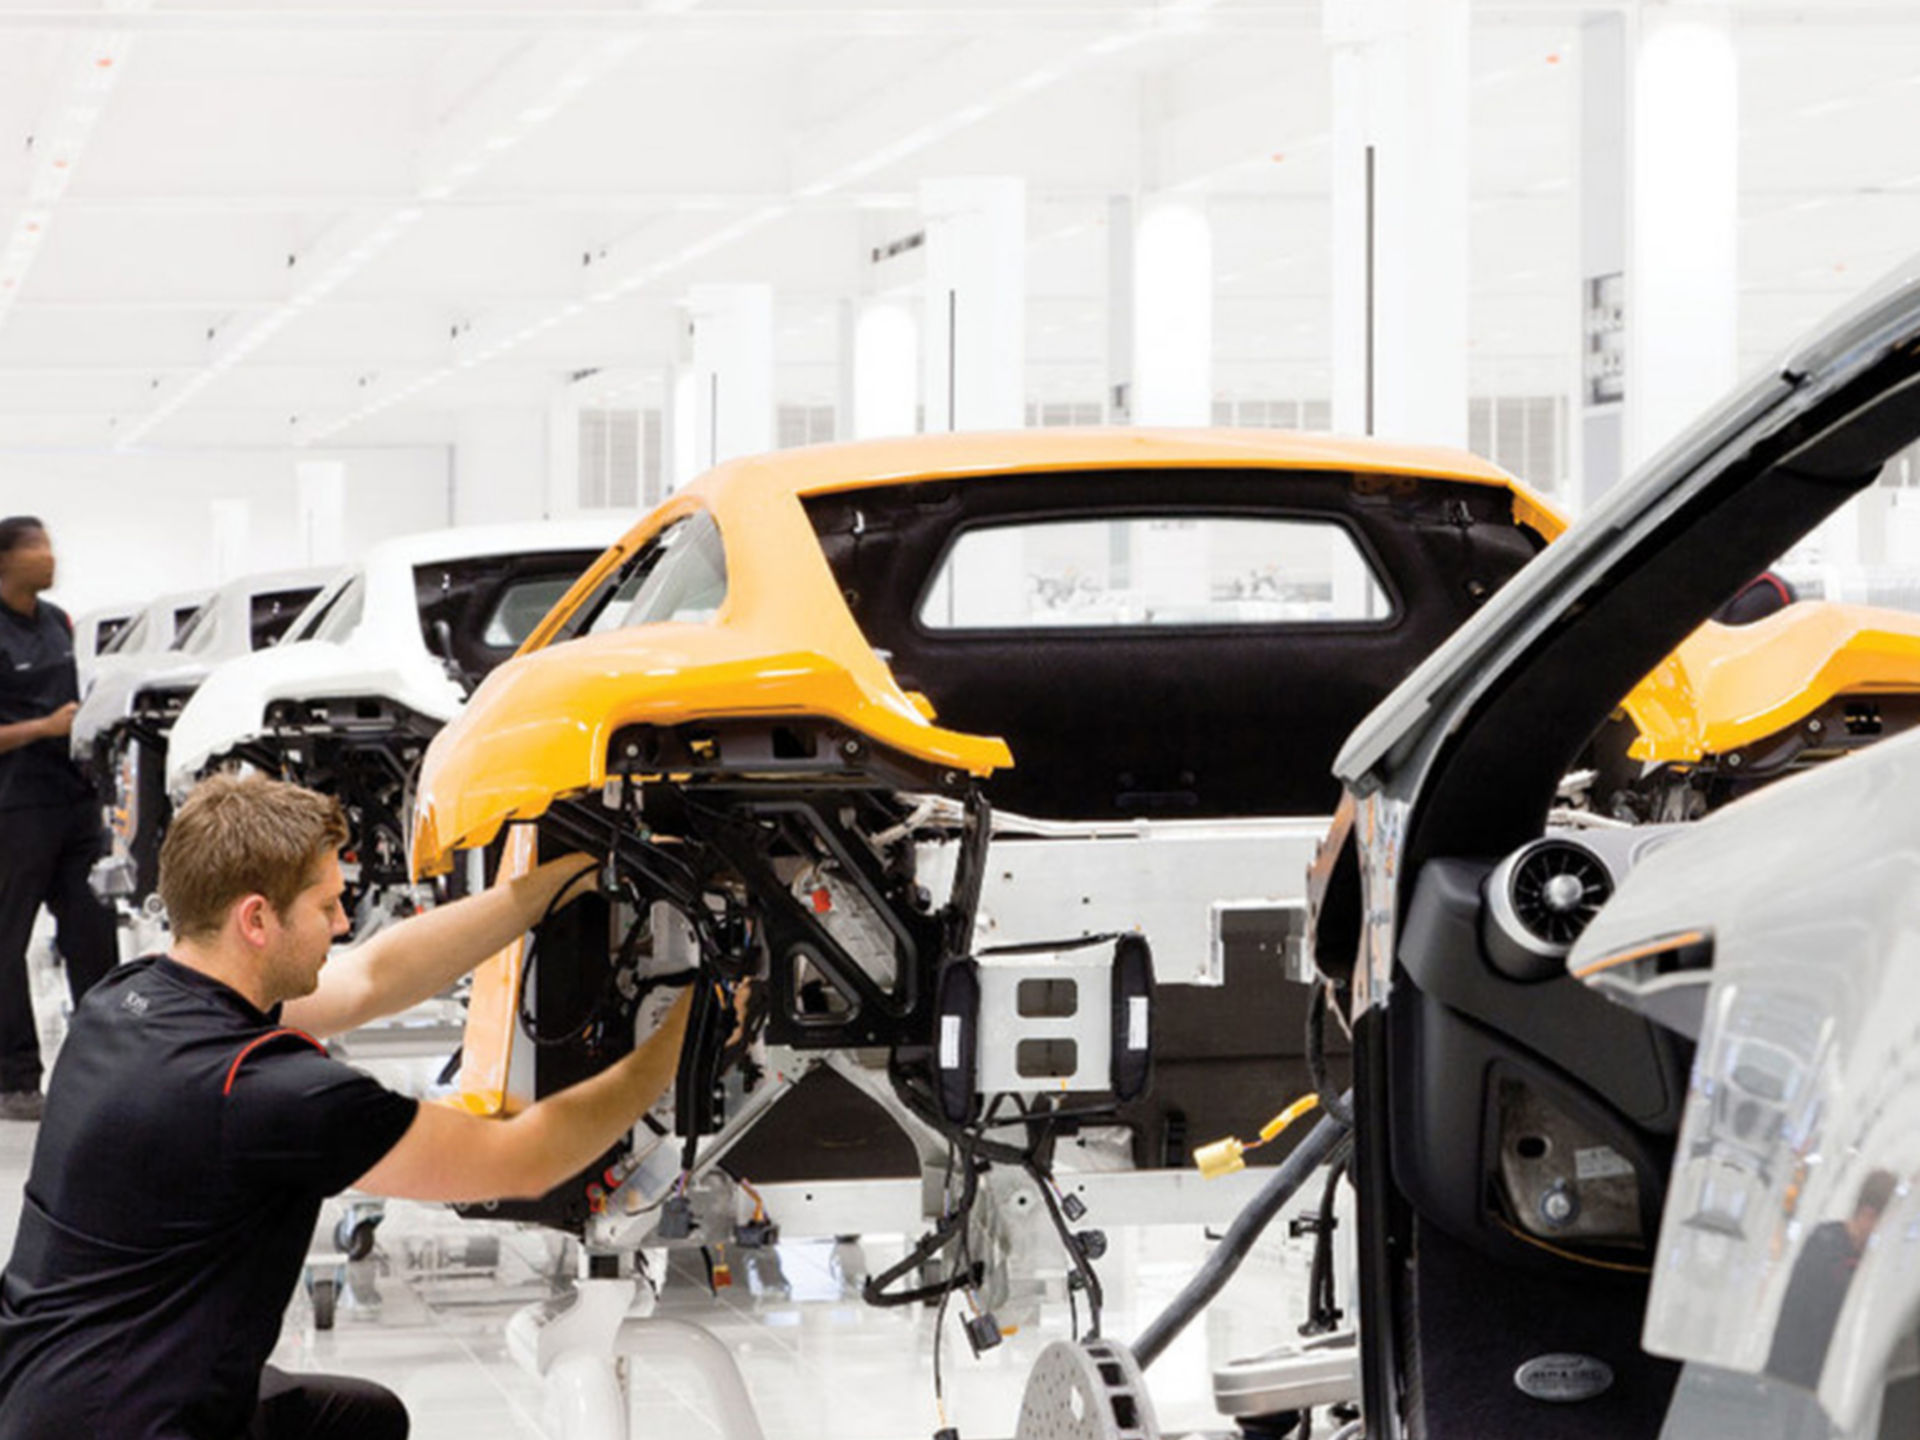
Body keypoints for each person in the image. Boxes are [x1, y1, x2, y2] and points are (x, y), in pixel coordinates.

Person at [0, 772, 693, 1439]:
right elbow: (526, 1159)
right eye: (327, 905)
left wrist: (561, 882)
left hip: (46, 1389)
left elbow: (370, 977)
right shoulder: (276, 1094)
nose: (341, 922)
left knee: (363, 1419)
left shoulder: (126, 998)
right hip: (125, 1421)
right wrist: (677, 1042)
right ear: (256, 919)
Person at [0, 516, 118, 1121]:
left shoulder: (59, 622)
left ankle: (104, 1068)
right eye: (38, 546)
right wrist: (43, 728)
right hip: (15, 807)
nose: (51, 556)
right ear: (7, 558)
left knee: (94, 937)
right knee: (7, 943)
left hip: (75, 801)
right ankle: (16, 1080)